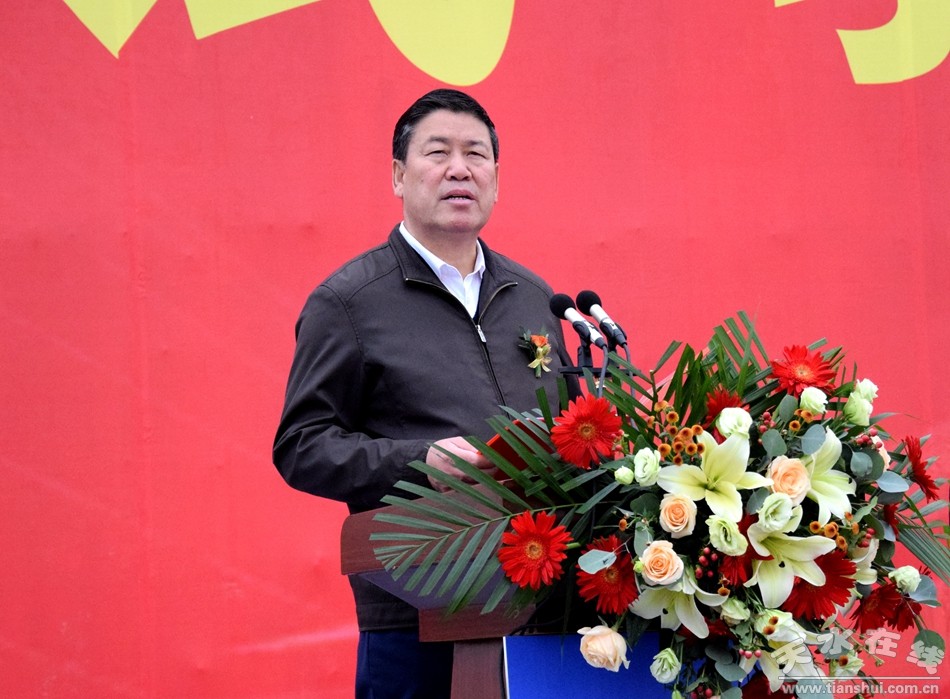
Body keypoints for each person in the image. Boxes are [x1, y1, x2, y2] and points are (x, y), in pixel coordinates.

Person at [273, 89, 573, 699]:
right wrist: (423, 460)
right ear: (398, 175)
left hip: (549, 607)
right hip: (416, 609)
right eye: (438, 153)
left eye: (476, 155)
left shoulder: (534, 297)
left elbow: (572, 427)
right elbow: (302, 446)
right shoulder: (350, 302)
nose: (460, 169)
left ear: (496, 179)